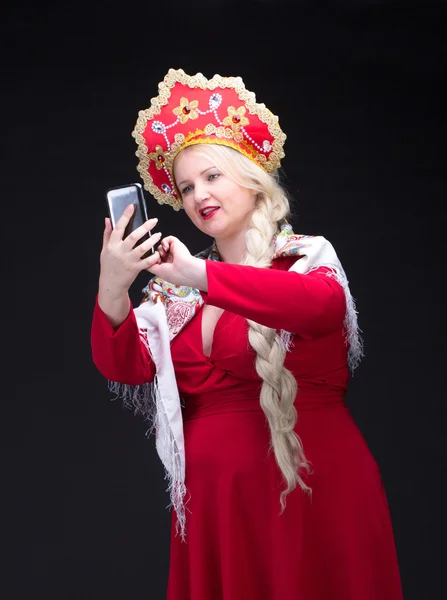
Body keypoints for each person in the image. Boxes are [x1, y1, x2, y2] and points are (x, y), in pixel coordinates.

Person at [91, 68, 403, 599]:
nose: (197, 196)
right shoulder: (174, 294)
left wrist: (201, 275)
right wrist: (112, 285)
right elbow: (125, 365)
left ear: (250, 176)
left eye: (212, 177)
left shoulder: (303, 260)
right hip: (216, 513)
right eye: (187, 187)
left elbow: (321, 309)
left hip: (309, 496)